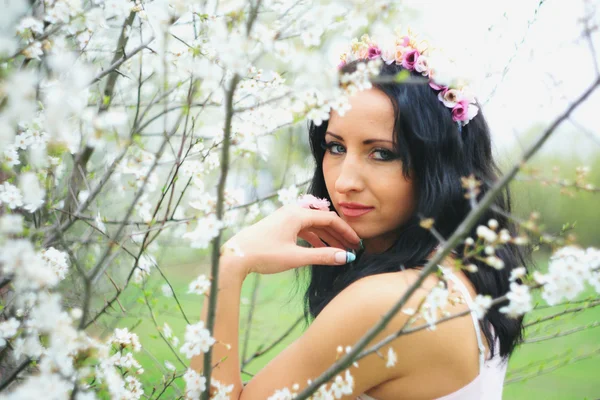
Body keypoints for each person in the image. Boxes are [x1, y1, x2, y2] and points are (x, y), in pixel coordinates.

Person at [190, 31, 531, 399]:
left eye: (382, 153)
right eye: (335, 146)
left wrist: (229, 264)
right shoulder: (464, 274)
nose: (345, 181)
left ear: (439, 166)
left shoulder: (388, 301)